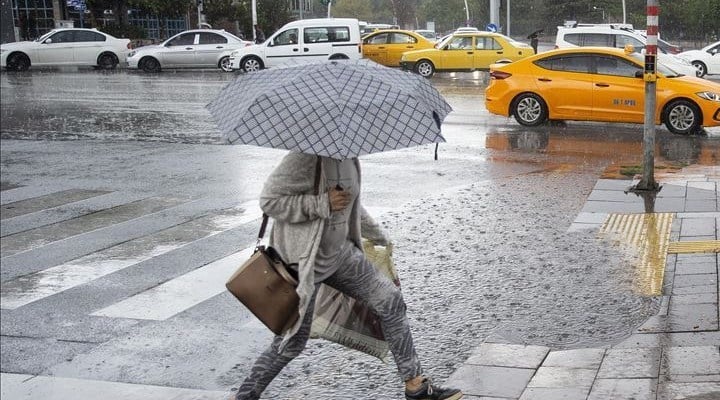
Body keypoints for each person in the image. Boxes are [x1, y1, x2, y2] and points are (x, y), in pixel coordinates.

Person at [233, 153, 463, 400]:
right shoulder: (305, 158)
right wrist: (322, 204)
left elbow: (351, 205)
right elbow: (269, 201)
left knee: (390, 300)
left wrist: (378, 235)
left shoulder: (350, 158)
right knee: (292, 342)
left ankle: (415, 384)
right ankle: (244, 396)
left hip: (340, 254)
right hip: (303, 262)